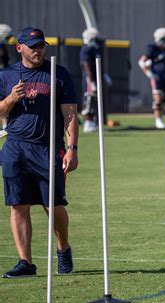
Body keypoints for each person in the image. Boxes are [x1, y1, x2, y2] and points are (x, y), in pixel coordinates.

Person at [0, 27, 78, 278]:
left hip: (47, 148)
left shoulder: (58, 73)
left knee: (52, 204)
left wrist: (72, 148)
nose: (38, 50)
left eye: (41, 45)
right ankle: (26, 262)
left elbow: (70, 114)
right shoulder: (6, 75)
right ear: (19, 48)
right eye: (32, 46)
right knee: (18, 205)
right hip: (15, 146)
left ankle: (63, 248)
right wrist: (11, 99)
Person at [138, 27, 165, 129]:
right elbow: (142, 61)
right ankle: (158, 120)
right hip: (158, 78)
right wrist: (148, 73)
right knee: (158, 100)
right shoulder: (152, 48)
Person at [80, 27, 105, 133]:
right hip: (90, 79)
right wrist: (91, 81)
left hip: (96, 77)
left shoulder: (94, 49)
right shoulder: (86, 49)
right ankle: (88, 123)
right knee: (89, 99)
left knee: (94, 100)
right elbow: (86, 65)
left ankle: (92, 122)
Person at [0, 24, 12, 132]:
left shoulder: (3, 45)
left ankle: (5, 125)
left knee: (4, 98)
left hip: (3, 73)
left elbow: (5, 61)